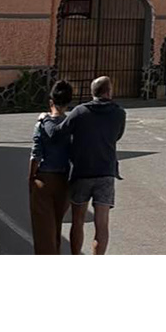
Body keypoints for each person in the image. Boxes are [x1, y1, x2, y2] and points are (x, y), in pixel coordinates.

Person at [64, 75, 126, 255]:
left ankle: (75, 255)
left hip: (82, 171)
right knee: (102, 223)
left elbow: (62, 131)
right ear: (109, 91)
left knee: (78, 219)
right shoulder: (119, 113)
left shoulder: (80, 112)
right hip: (106, 171)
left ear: (92, 92)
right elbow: (117, 136)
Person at [28, 79, 74, 254]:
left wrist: (31, 177)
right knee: (56, 225)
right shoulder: (71, 125)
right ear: (68, 103)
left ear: (51, 102)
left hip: (44, 178)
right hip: (64, 179)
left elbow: (36, 154)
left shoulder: (42, 123)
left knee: (43, 230)